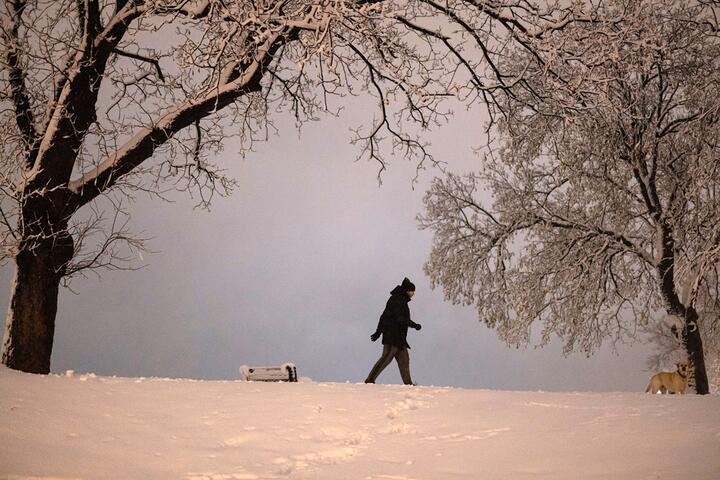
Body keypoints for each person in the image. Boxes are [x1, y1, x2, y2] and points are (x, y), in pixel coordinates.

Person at [364, 277, 422, 385]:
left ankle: (408, 384)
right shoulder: (398, 300)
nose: (413, 294)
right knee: (386, 357)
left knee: (404, 359)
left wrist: (379, 331)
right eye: (412, 291)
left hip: (397, 336)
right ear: (406, 291)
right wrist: (414, 325)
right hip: (393, 335)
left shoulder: (398, 299)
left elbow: (384, 316)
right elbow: (399, 318)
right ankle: (370, 379)